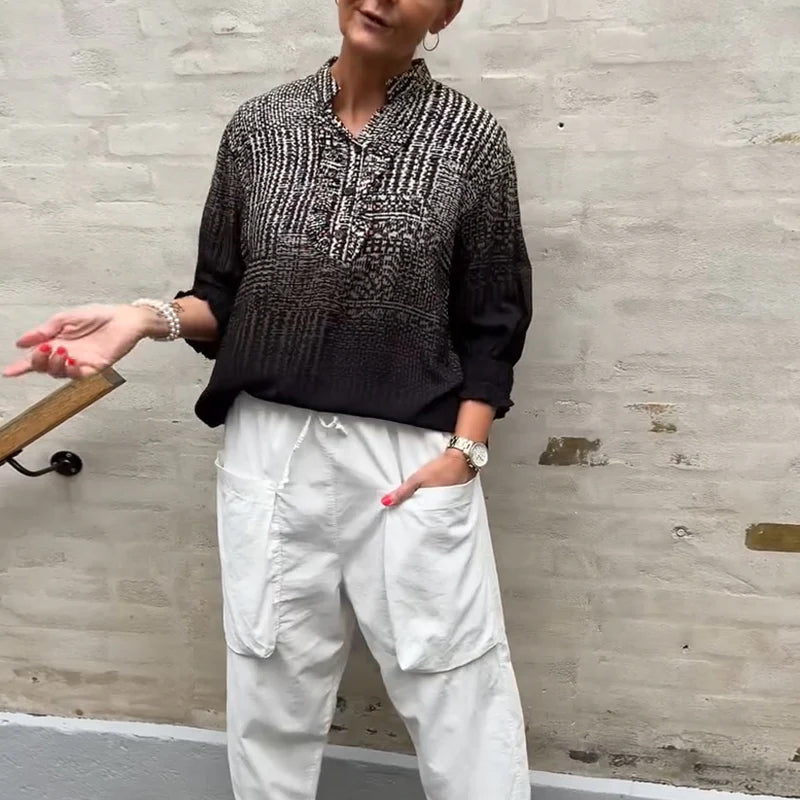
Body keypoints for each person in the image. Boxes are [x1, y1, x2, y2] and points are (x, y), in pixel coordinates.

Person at [4, 1, 533, 798]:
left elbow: (493, 317)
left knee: (457, 678)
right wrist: (142, 320)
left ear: (447, 12)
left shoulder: (470, 138)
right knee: (269, 682)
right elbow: (223, 297)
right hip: (271, 448)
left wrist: (465, 450)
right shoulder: (259, 127)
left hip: (407, 454)